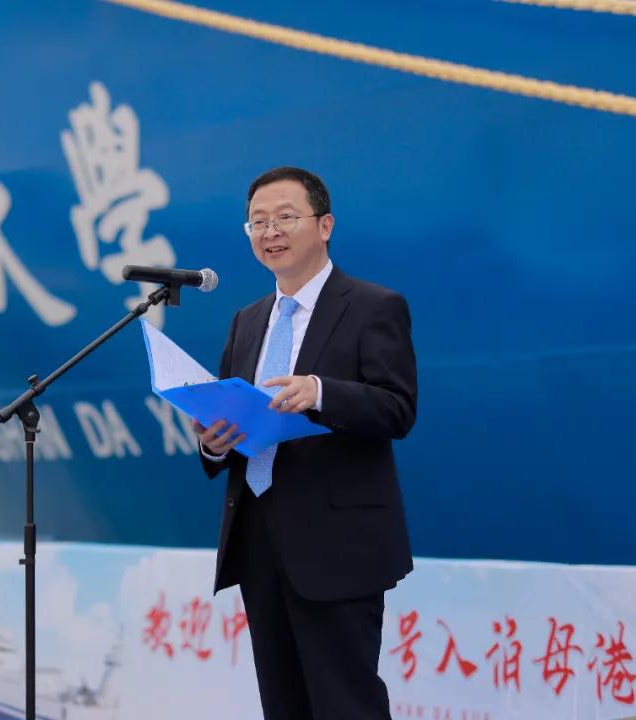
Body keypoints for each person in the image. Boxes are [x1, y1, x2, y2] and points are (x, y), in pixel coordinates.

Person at [193, 166, 417, 719]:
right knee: (283, 704)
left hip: (338, 545)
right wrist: (214, 443)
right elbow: (233, 419)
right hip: (258, 540)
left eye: (285, 218)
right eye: (258, 222)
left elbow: (398, 408)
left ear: (325, 225)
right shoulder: (247, 320)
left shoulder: (373, 306)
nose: (270, 232)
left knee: (347, 704)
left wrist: (320, 392)